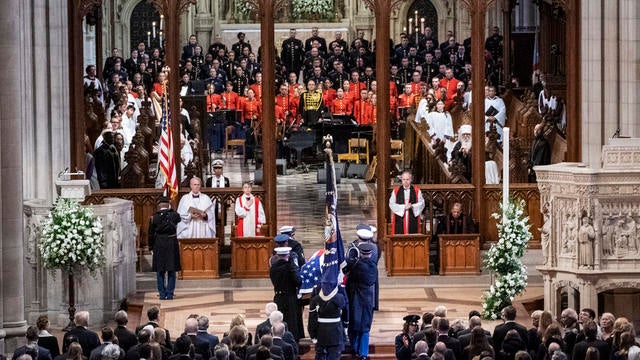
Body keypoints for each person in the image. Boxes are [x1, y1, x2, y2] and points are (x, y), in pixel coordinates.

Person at [308, 269, 348, 360]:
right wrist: (345, 325)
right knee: (335, 356)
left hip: (321, 332)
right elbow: (345, 312)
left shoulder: (315, 300)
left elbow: (312, 319)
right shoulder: (340, 298)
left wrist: (312, 334)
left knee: (321, 356)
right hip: (336, 331)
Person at [347, 242, 377, 360]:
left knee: (355, 324)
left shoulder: (356, 266)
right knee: (365, 326)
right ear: (370, 254)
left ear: (361, 253)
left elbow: (349, 279)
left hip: (356, 299)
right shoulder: (374, 266)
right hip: (368, 299)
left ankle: (355, 348)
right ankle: (363, 353)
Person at [149, 195, 182, 300]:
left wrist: (151, 247)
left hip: (159, 244)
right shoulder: (173, 215)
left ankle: (162, 294)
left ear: (159, 205)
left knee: (160, 271)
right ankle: (170, 294)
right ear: (169, 204)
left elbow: (150, 234)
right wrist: (171, 209)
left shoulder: (154, 217)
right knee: (171, 270)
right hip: (171, 243)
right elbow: (179, 218)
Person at [269, 246, 303, 341]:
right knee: (292, 324)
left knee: (278, 322)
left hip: (278, 297)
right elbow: (298, 281)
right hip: (290, 298)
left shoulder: (273, 268)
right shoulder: (290, 267)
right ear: (287, 255)